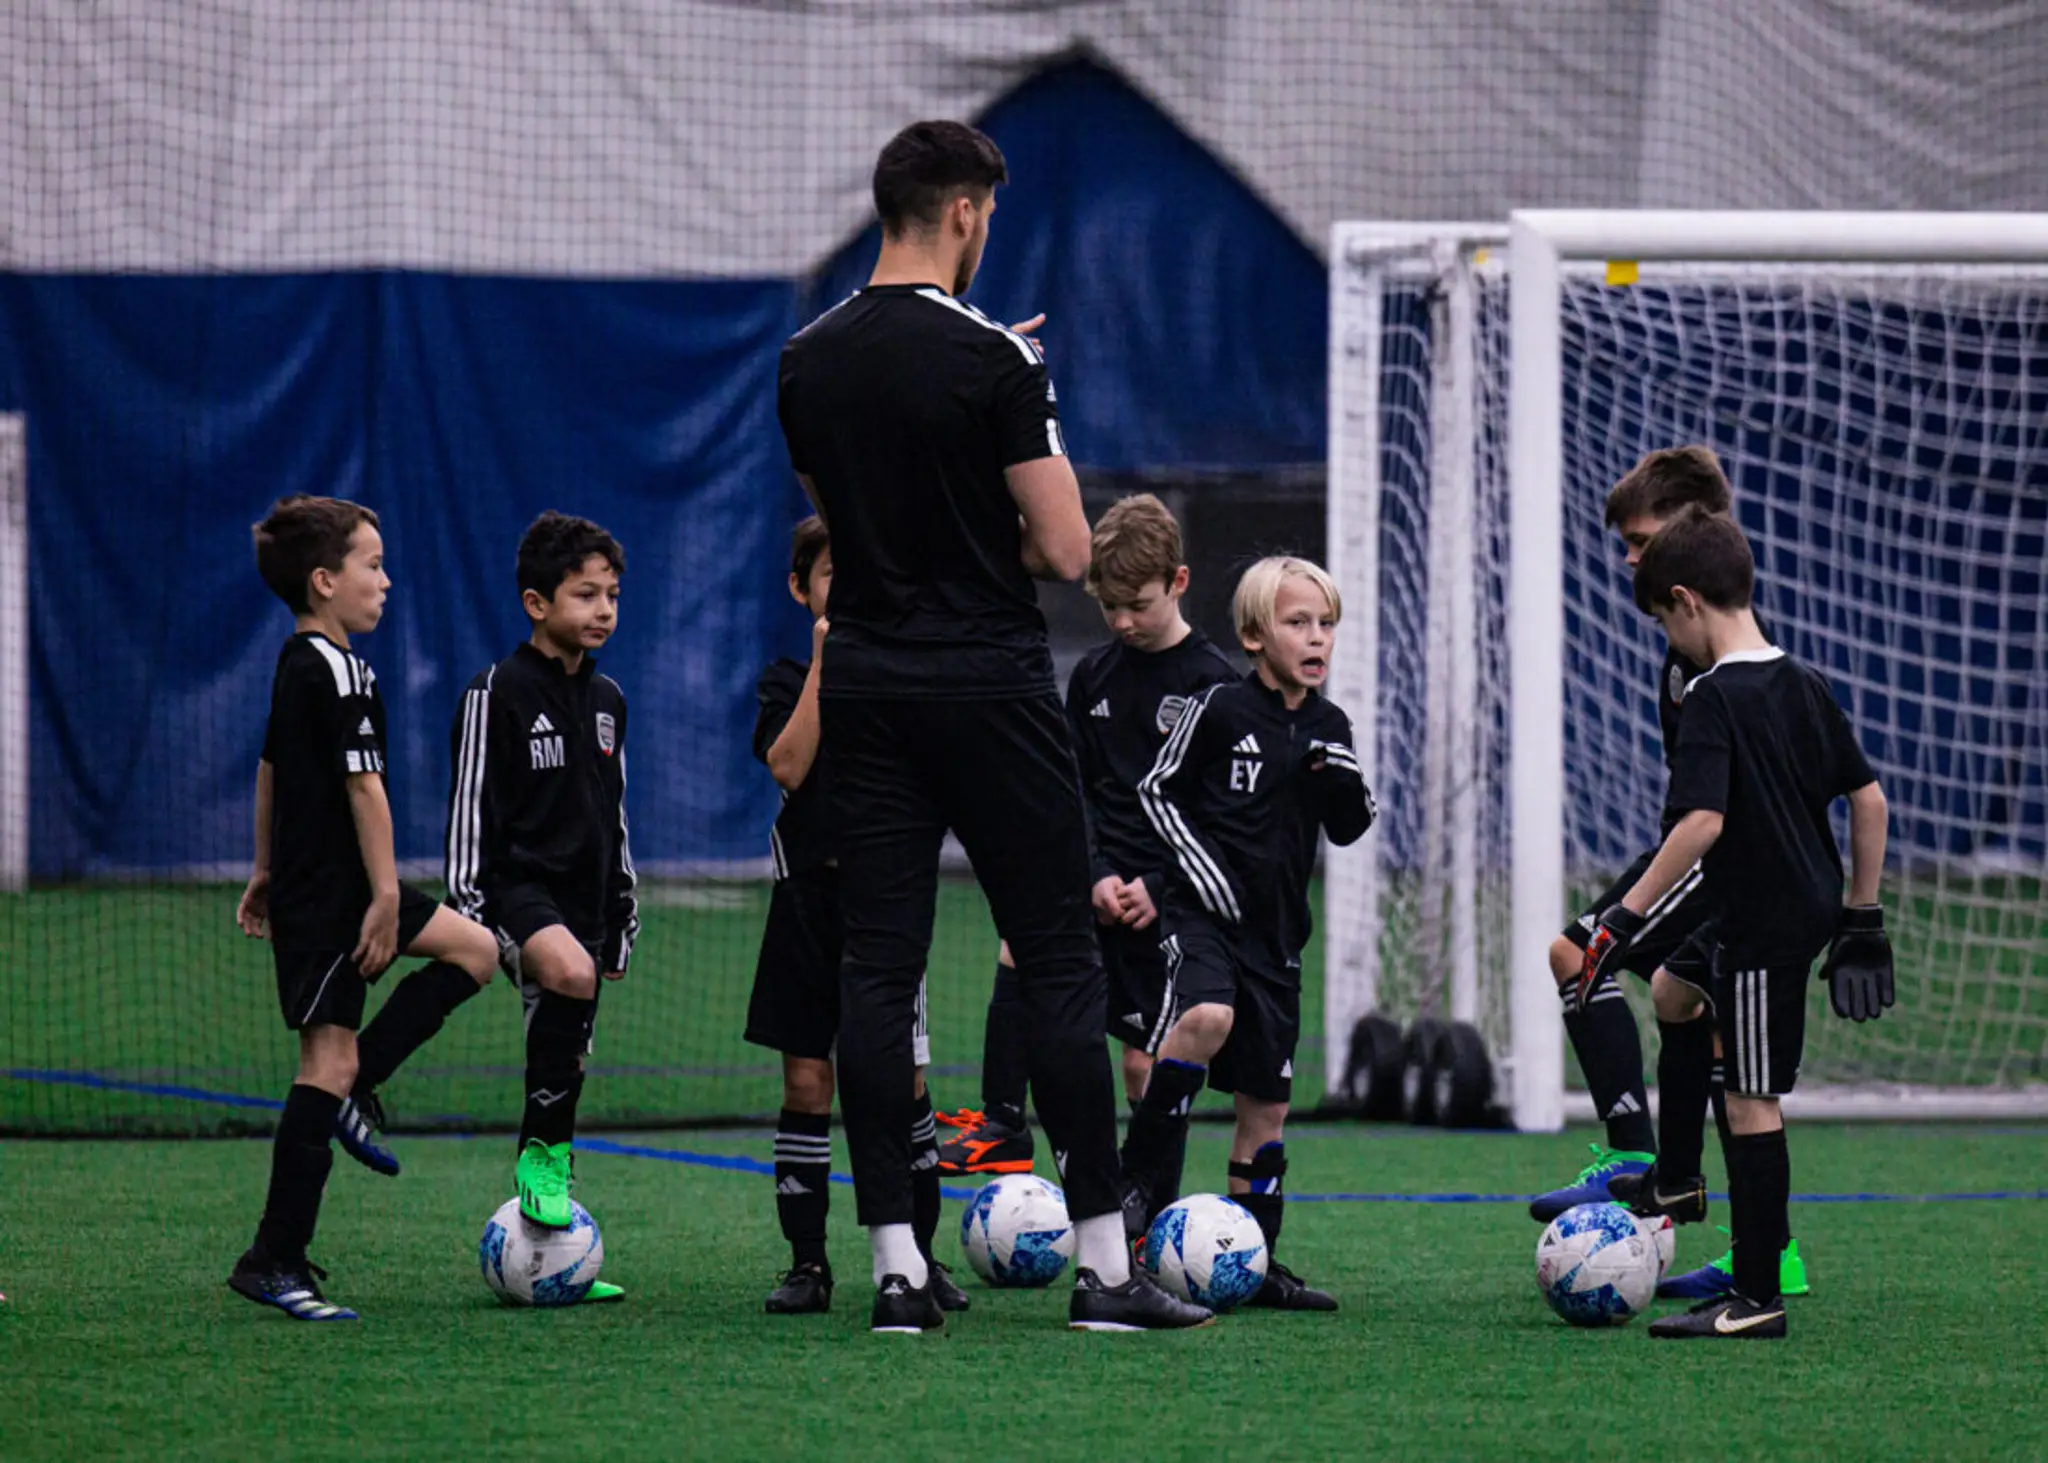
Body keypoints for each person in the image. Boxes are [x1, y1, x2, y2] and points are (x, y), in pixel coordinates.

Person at [775, 118, 1211, 1334]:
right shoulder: (998, 363)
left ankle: (897, 1272)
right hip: (988, 687)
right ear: (964, 212)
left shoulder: (803, 360)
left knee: (877, 968)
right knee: (1060, 962)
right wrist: (1017, 413)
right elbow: (1067, 550)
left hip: (866, 686)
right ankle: (1104, 1272)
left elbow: (853, 529)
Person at [1577, 507, 1890, 1339]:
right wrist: (1863, 914)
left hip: (1762, 920)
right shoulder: (1801, 680)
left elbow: (1701, 825)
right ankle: (1678, 1177)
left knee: (1752, 1100)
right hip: (1804, 900)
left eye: (1661, 623)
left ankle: (1756, 1297)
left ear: (1684, 601)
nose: (1668, 642)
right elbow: (1869, 799)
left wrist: (1622, 913)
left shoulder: (1714, 697)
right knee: (1676, 991)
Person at [1529, 445, 1808, 1302]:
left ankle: (1640, 1159)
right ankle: (1769, 1252)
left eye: (1642, 539)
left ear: (1692, 534)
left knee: (1580, 954)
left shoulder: (1718, 662)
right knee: (1698, 1020)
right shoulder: (1687, 654)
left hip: (1721, 866)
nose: (1629, 559)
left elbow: (1717, 814)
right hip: (1695, 858)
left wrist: (1639, 903)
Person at [229, 496, 498, 1321]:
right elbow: (362, 786)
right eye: (371, 565)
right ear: (324, 580)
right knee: (323, 1064)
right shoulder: (331, 667)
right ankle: (271, 1259)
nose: (385, 580)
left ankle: (361, 1090)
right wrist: (382, 894)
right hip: (334, 900)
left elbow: (272, 767)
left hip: (334, 885)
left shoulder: (305, 659)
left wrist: (263, 864)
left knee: (478, 950)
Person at [937, 494, 1234, 1184]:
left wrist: (1158, 888)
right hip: (1096, 883)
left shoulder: (1214, 684)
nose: (1124, 621)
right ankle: (1004, 1121)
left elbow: (1220, 820)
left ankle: (1147, 1199)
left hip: (1168, 898)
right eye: (1110, 606)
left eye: (1140, 603)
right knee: (1022, 939)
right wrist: (1097, 870)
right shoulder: (1094, 677)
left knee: (1141, 1059)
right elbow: (1075, 792)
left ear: (1180, 583)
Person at [1121, 556, 1376, 1312]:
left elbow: (1353, 824)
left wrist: (1340, 781)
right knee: (1206, 1017)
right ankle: (1132, 1187)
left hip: (1279, 942)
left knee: (1266, 1108)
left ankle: (1259, 1261)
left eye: (1325, 623)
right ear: (1255, 635)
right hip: (1201, 920)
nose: (1316, 637)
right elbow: (1156, 790)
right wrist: (1206, 877)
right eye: (1298, 622)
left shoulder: (1331, 725)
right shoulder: (1222, 706)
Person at [745, 516, 966, 1316]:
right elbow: (789, 765)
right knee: (807, 1080)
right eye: (835, 571)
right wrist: (824, 666)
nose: (850, 584)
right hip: (805, 904)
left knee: (901, 1080)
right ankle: (808, 1263)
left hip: (887, 908)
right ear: (802, 587)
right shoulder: (781, 679)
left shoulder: (903, 681)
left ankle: (922, 1257)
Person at [442, 511, 638, 1303]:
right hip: (515, 896)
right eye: (585, 594)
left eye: (612, 595)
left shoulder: (609, 699)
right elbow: (469, 812)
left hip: (587, 909)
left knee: (570, 1057)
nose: (602, 610)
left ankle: (549, 1255)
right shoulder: (497, 692)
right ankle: (539, 1158)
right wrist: (474, 908)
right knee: (565, 971)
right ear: (535, 601)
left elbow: (615, 814)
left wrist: (622, 905)